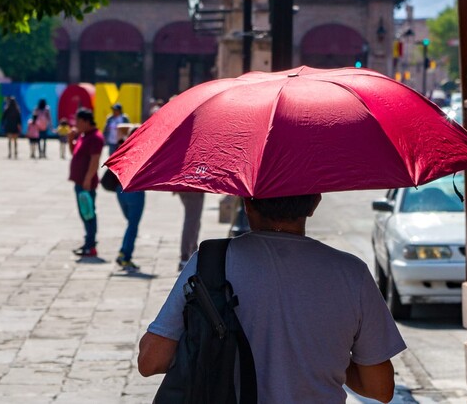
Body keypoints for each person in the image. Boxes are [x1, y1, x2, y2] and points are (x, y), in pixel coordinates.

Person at [138, 194, 406, 403]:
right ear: (315, 202)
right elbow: (380, 388)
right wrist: (326, 351)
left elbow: (151, 361)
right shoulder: (351, 273)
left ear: (247, 204)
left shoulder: (210, 263)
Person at [68, 108, 104, 258]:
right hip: (79, 182)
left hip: (86, 183)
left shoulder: (95, 137)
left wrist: (88, 178)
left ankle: (91, 245)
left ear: (86, 121)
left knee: (89, 213)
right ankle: (88, 242)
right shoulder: (83, 136)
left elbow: (95, 160)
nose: (76, 124)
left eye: (78, 121)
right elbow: (74, 153)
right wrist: (71, 140)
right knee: (84, 213)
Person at [114, 123, 144, 272]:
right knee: (133, 225)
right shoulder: (142, 151)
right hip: (135, 192)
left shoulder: (122, 148)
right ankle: (125, 255)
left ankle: (124, 252)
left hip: (120, 191)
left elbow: (120, 128)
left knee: (130, 224)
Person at [176, 191, 205, 270]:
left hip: (190, 186)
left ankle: (192, 252)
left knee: (195, 221)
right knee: (192, 221)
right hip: (192, 187)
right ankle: (185, 257)